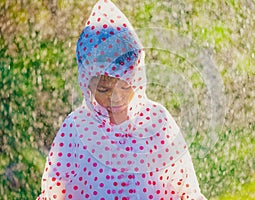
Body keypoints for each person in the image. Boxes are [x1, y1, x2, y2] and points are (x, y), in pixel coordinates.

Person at [37, 0, 207, 199]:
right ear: (87, 85)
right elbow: (54, 190)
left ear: (137, 77)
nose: (116, 98)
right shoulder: (77, 128)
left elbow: (184, 189)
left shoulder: (157, 122)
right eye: (104, 89)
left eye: (126, 86)